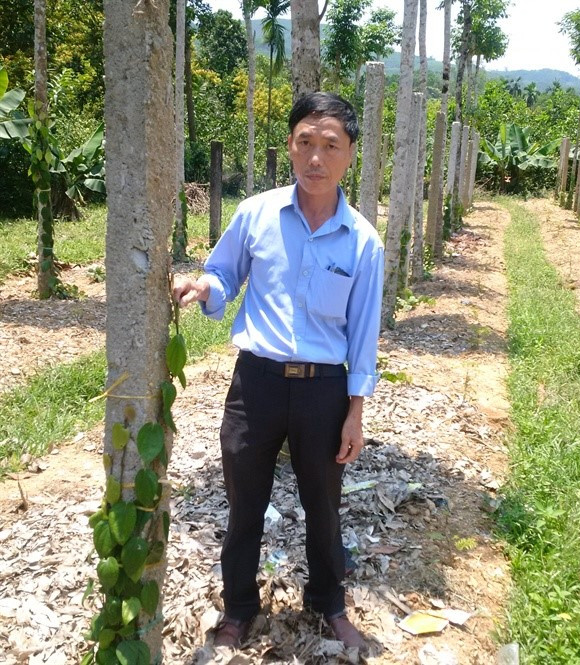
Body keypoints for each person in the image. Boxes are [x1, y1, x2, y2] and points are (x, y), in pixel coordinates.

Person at [173, 92, 384, 652]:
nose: (316, 157)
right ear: (290, 147)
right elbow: (222, 272)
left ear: (350, 156)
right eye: (305, 143)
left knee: (324, 504)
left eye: (330, 146)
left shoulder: (363, 240)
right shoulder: (257, 214)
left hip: (324, 390)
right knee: (244, 504)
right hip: (257, 383)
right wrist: (202, 287)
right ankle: (239, 607)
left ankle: (328, 601)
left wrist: (355, 413)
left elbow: (363, 335)